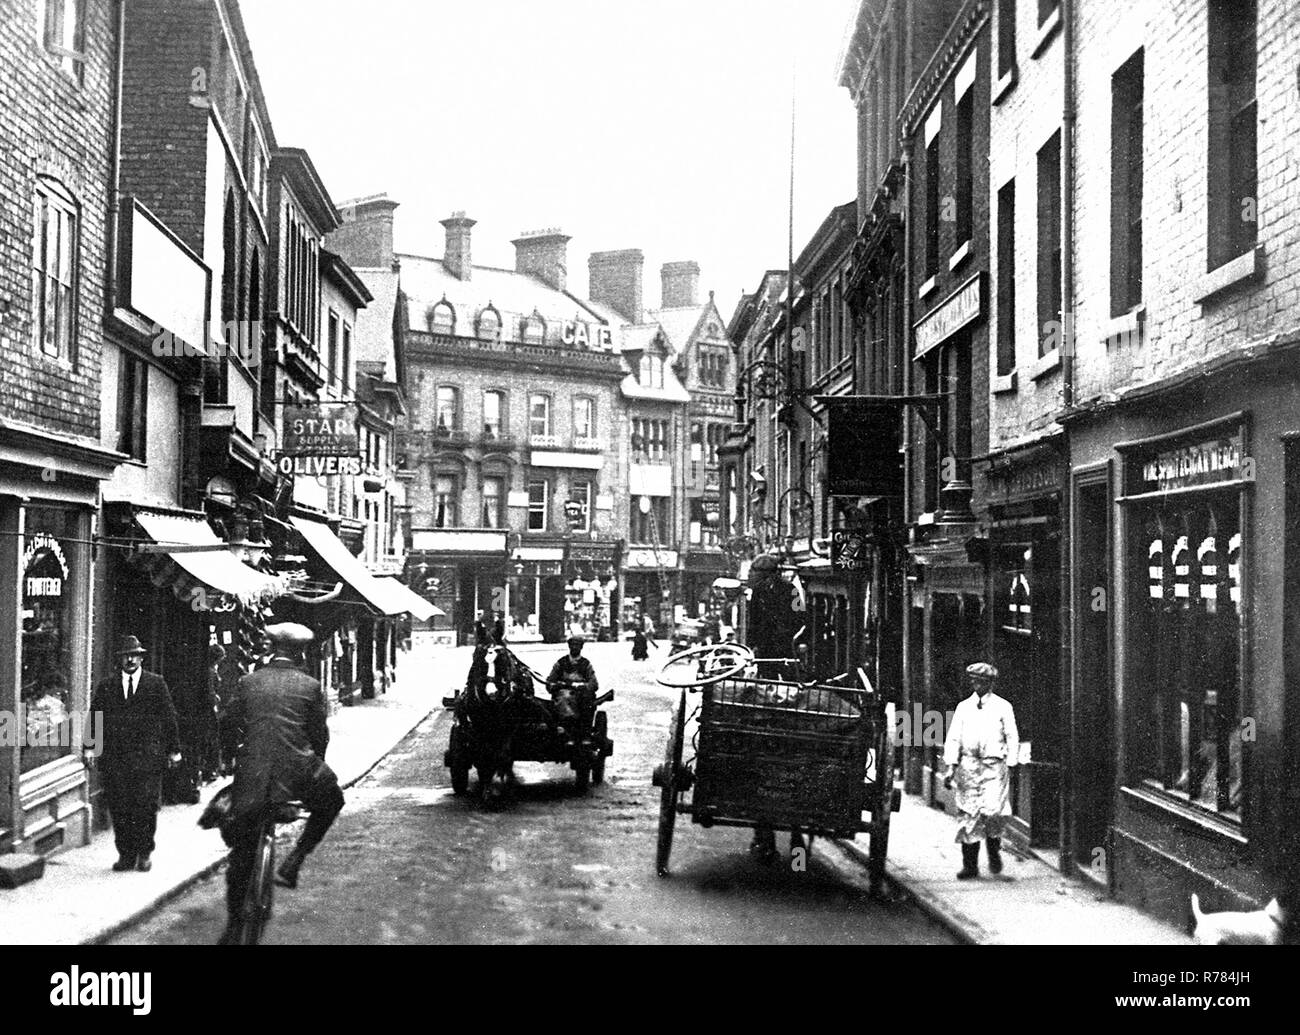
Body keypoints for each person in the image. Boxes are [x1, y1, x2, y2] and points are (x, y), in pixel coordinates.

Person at [217, 623, 345, 945]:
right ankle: (295, 860)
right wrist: (316, 763)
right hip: (298, 773)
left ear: (270, 649)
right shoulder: (311, 686)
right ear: (300, 653)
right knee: (333, 800)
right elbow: (319, 735)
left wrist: (234, 756)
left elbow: (227, 724)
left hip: (252, 775)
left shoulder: (249, 682)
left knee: (242, 851)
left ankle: (234, 926)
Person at [89, 636, 182, 873]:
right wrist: (90, 747)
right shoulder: (107, 686)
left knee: (145, 806)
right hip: (116, 759)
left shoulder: (155, 684)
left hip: (147, 758)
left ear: (141, 658)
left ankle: (144, 852)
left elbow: (169, 718)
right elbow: (95, 718)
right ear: (120, 659)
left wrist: (174, 750)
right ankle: (126, 854)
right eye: (125, 656)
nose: (130, 660)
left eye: (134, 655)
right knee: (120, 807)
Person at [942, 662, 1020, 880]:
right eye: (973, 680)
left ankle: (994, 854)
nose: (976, 684)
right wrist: (951, 767)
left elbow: (1012, 736)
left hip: (994, 765)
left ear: (990, 683)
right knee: (969, 813)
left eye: (980, 681)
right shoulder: (963, 707)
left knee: (993, 811)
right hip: (968, 766)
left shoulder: (1003, 706)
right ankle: (970, 865)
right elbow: (954, 737)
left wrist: (1011, 763)